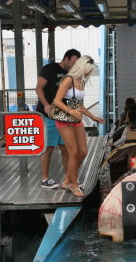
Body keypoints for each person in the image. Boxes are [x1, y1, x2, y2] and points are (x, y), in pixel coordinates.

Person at [53, 55, 104, 197]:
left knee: (83, 152)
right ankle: (73, 185)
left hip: (76, 119)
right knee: (73, 152)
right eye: (88, 70)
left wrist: (93, 117)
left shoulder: (81, 81)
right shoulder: (68, 80)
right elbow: (57, 101)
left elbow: (80, 105)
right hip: (64, 118)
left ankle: (68, 179)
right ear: (81, 67)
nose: (89, 73)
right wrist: (71, 111)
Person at [36, 49, 81, 188]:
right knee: (48, 148)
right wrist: (45, 105)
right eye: (73, 62)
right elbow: (38, 88)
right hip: (48, 116)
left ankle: (70, 179)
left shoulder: (71, 74)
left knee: (66, 148)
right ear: (66, 59)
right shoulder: (49, 69)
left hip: (64, 116)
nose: (74, 66)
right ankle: (45, 178)